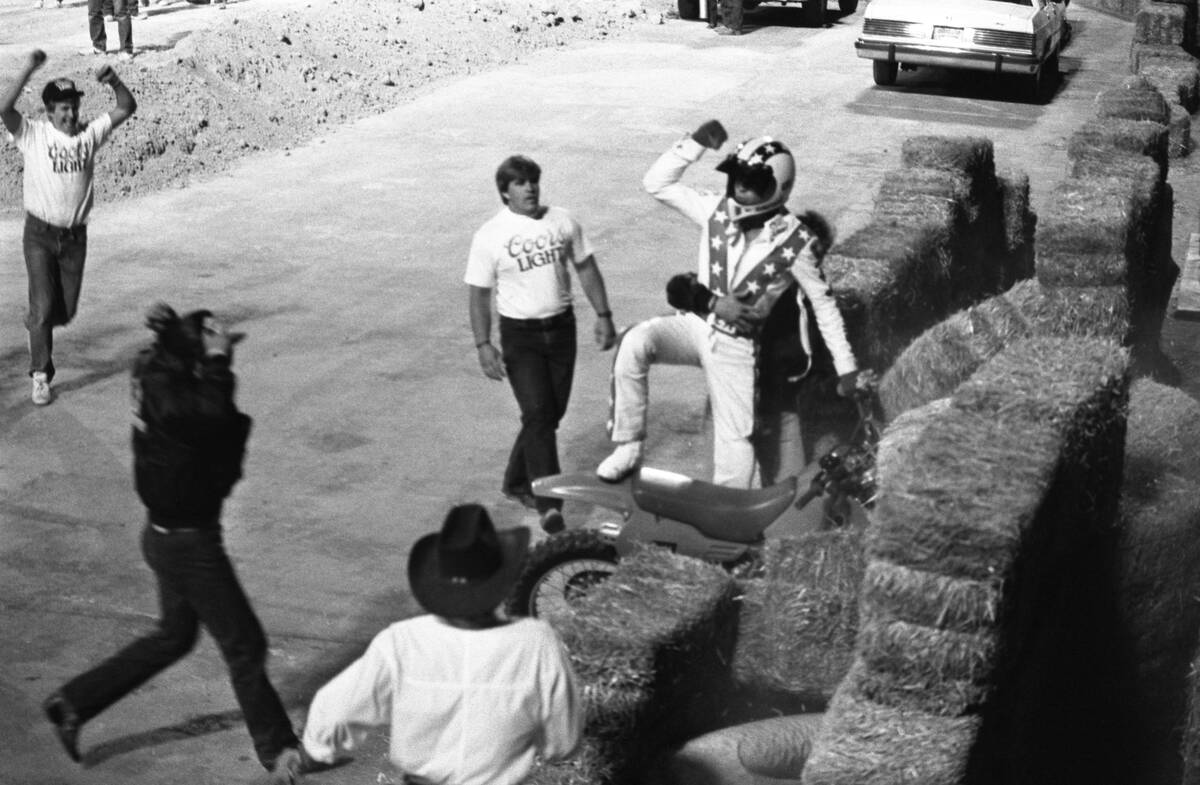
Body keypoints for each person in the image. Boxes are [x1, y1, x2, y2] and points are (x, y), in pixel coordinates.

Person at [42, 304, 302, 780]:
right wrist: (217, 361)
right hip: (190, 546)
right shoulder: (184, 406)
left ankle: (73, 703)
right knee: (244, 645)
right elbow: (213, 413)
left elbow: (168, 369)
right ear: (194, 362)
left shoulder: (159, 376)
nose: (221, 361)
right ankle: (277, 747)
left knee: (175, 636)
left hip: (166, 535)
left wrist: (171, 332)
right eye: (210, 355)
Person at [597, 120, 859, 488]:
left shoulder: (797, 242)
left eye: (752, 182)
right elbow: (656, 184)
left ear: (777, 188)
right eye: (737, 177)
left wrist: (847, 369)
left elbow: (824, 305)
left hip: (738, 349)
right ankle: (627, 444)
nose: (741, 187)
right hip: (698, 325)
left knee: (734, 445)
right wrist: (694, 144)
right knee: (634, 342)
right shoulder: (714, 210)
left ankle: (732, 525)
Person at [269, 503, 583, 785]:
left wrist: (306, 757)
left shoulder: (401, 642)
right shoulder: (537, 643)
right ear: (501, 580)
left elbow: (335, 709)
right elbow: (563, 743)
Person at [465, 155, 617, 534]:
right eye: (520, 182)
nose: (530, 187)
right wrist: (484, 344)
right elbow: (479, 294)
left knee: (548, 415)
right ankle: (549, 503)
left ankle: (516, 480)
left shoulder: (562, 221)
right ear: (505, 191)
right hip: (521, 337)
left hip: (562, 331)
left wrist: (603, 314)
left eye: (533, 180)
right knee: (538, 413)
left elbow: (585, 267)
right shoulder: (489, 235)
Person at [1, 50, 136, 405]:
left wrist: (114, 80)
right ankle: (41, 374)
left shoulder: (89, 135)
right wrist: (28, 67)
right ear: (48, 112)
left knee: (64, 311)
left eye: (73, 105)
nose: (70, 113)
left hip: (75, 238)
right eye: (62, 108)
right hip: (39, 235)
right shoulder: (34, 135)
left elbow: (126, 108)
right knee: (44, 306)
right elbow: (4, 110)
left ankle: (37, 319)